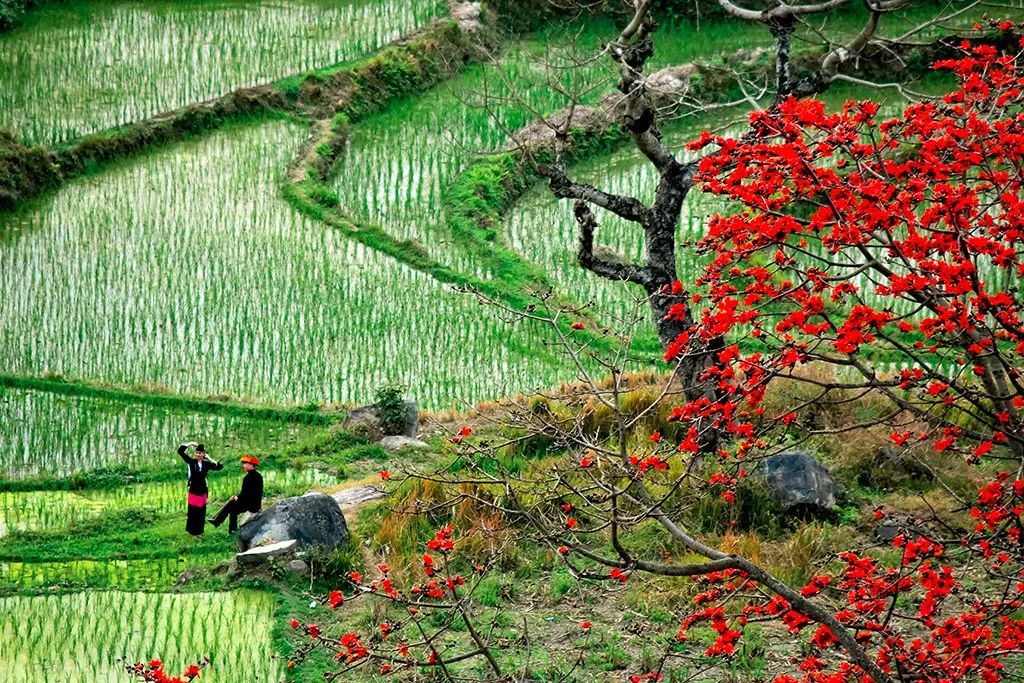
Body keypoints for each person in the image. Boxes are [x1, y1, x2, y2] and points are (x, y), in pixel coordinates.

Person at [208, 454, 264, 534]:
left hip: (251, 504)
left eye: (245, 464)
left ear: (251, 465)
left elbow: (246, 494)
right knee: (233, 509)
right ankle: (224, 525)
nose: (243, 465)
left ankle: (219, 522)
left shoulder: (248, 478)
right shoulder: (258, 476)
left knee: (232, 505)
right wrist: (237, 497)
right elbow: (248, 493)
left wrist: (237, 497)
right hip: (255, 503)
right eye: (243, 464)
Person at [178, 442, 223, 536]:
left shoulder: (206, 464)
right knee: (192, 511)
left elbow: (219, 467)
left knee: (201, 511)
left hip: (202, 489)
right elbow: (180, 451)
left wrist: (209, 458)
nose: (198, 454)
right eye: (197, 452)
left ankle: (199, 531)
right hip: (193, 489)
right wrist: (190, 443)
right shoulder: (191, 461)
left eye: (200, 453)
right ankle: (191, 531)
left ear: (203, 454)